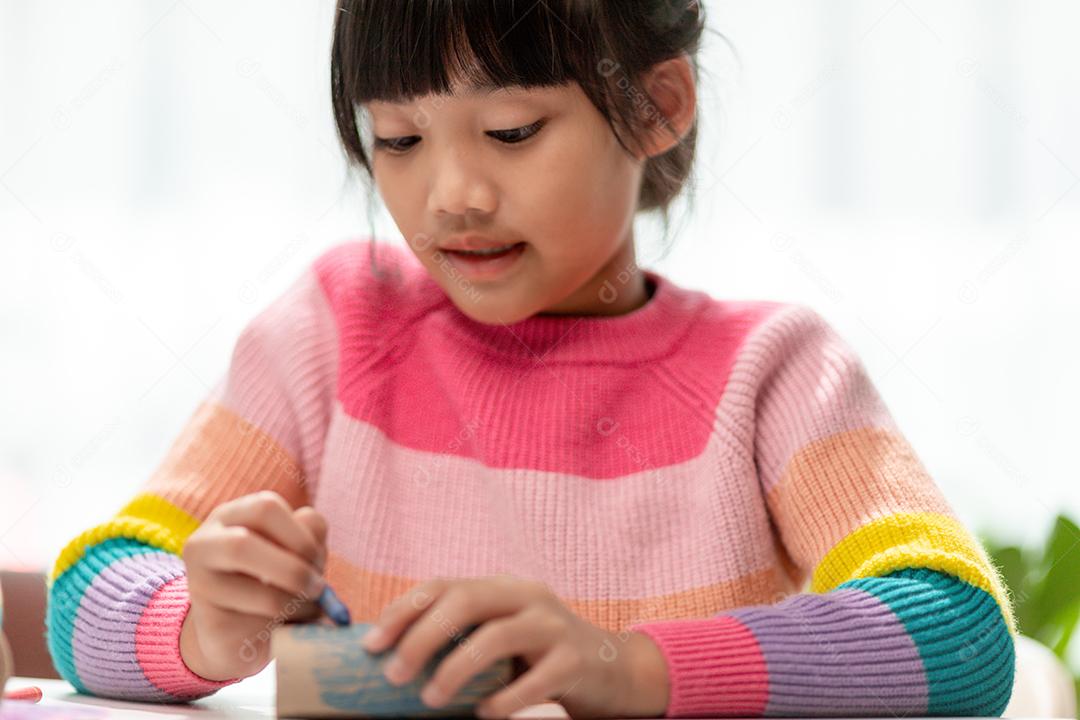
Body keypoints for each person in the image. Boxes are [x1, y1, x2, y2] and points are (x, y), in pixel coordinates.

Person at [44, 1, 1017, 717]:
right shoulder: (333, 333)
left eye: (512, 131)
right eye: (399, 138)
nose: (451, 194)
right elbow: (90, 590)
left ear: (657, 107)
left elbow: (958, 629)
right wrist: (206, 626)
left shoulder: (773, 372)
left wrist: (624, 668)